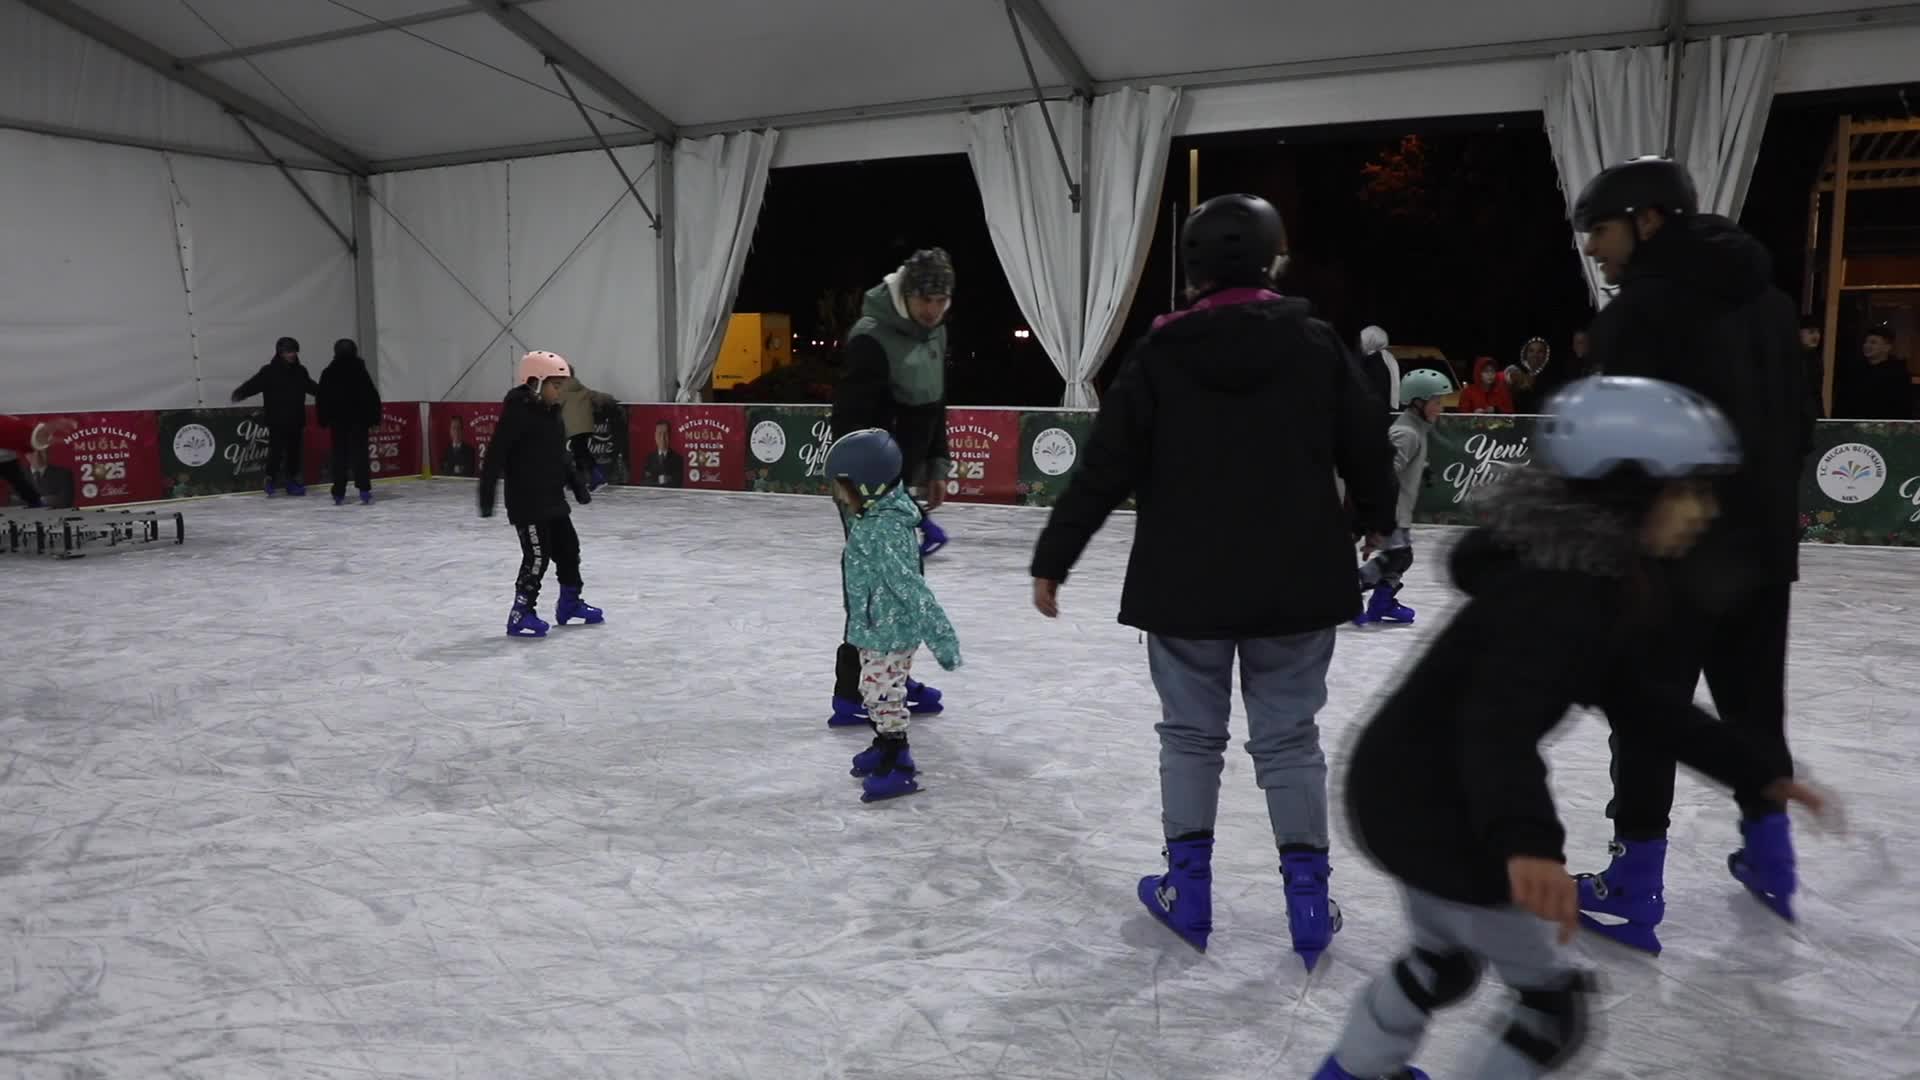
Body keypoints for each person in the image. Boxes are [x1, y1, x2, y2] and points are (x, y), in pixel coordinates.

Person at [1314, 376, 1831, 1080]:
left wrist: (1755, 772)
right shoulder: (1558, 598)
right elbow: (1494, 727)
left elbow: (1644, 706)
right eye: (1694, 488)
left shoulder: (1576, 575)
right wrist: (1528, 848)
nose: (1706, 509)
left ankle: (1351, 1070)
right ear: (1630, 490)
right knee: (1550, 1011)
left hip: (1402, 797)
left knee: (1443, 961)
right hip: (1450, 816)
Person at [1029, 193, 1397, 969]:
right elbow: (1367, 439)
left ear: (1193, 269)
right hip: (1297, 579)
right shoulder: (1315, 342)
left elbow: (1105, 466)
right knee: (1290, 739)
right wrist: (1375, 516)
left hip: (1186, 585)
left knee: (1191, 737)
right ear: (1272, 259)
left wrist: (1056, 555)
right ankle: (1306, 906)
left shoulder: (1159, 353)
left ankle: (1187, 893)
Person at [1569, 155, 1814, 952]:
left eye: (1601, 232)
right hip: (1764, 549)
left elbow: (1616, 449)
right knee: (1754, 707)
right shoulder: (1773, 306)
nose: (1594, 251)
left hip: (1672, 555)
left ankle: (1633, 882)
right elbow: (1799, 422)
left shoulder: (1639, 313)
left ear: (1648, 219)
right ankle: (1771, 856)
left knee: (1646, 711)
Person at [826, 248, 956, 728]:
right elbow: (849, 429)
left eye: (942, 300)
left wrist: (937, 465)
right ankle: (854, 690)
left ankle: (889, 680)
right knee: (877, 588)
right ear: (905, 294)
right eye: (925, 299)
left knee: (905, 587)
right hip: (865, 487)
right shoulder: (871, 339)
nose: (933, 310)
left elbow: (936, 405)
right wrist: (861, 501)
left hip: (902, 484)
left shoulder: (935, 333)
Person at [825, 428, 962, 803]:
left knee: (882, 694)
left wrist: (942, 639)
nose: (837, 497)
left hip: (892, 629)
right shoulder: (871, 514)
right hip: (872, 626)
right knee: (872, 691)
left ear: (867, 487)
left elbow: (913, 590)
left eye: (842, 487)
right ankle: (884, 745)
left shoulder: (883, 529)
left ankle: (899, 761)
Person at [478, 351, 603, 638]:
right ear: (535, 382)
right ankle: (521, 613)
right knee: (537, 556)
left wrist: (577, 485)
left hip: (552, 499)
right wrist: (487, 496)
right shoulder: (517, 414)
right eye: (555, 385)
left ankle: (569, 604)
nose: (559, 392)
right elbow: (495, 456)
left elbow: (561, 456)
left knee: (569, 550)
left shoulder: (552, 416)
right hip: (526, 502)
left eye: (561, 385)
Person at [1354, 367, 1454, 626]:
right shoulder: (1406, 433)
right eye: (1436, 402)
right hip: (1392, 510)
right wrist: (1376, 517)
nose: (1440, 408)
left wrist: (1423, 468)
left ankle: (1380, 603)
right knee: (1397, 556)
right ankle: (1351, 592)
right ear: (1417, 401)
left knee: (1402, 556)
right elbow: (1384, 472)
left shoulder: (1416, 428)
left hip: (1400, 509)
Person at [232, 336, 319, 496]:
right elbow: (254, 384)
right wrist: (240, 393)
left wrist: (329, 394)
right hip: (277, 420)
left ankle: (292, 481)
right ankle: (270, 479)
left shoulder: (300, 371)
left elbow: (312, 387)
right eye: (288, 352)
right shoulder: (269, 371)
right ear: (280, 352)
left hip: (296, 419)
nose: (291, 355)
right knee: (276, 451)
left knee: (294, 452)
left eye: (293, 351)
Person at [316, 339, 382, 506]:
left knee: (340, 456)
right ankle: (364, 490)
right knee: (360, 455)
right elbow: (372, 397)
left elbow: (322, 398)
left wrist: (323, 419)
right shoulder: (360, 371)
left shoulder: (329, 372)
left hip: (339, 422)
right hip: (359, 421)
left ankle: (339, 491)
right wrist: (374, 418)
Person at [557, 367, 619, 491]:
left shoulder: (562, 390)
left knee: (581, 453)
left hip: (574, 428)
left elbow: (555, 404)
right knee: (579, 452)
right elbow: (599, 396)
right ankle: (579, 481)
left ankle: (598, 478)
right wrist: (612, 400)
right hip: (587, 427)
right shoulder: (582, 388)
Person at [1837, 324, 1913, 420]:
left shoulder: (1898, 374)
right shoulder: (1854, 370)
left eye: (1873, 342)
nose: (1866, 345)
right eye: (1865, 342)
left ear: (1887, 347)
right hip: (1854, 426)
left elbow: (1903, 407)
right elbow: (1844, 401)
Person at [0, 415, 76, 507]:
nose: (37, 455)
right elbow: (14, 502)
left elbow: (64, 501)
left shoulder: (63, 474)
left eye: (41, 451)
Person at [1504, 337, 1562, 414]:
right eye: (1531, 351)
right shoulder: (1515, 372)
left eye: (1540, 351)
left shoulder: (1553, 377)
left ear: (1545, 355)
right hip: (1519, 421)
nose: (1535, 355)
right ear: (1525, 353)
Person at [1358, 325, 1400, 423]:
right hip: (1386, 412)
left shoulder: (1373, 361)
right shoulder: (1388, 357)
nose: (1360, 344)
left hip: (1374, 415)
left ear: (1370, 341)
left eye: (1362, 340)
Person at [640, 420, 684, 488]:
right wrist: (658, 480)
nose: (662, 438)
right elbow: (644, 482)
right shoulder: (649, 458)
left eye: (665, 434)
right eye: (659, 434)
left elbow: (679, 483)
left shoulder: (678, 459)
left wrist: (668, 479)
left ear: (669, 436)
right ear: (655, 436)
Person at [1798, 317, 1825, 419]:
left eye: (1818, 332)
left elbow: (1816, 393)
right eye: (1811, 332)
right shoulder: (1790, 357)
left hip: (1810, 414)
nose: (1816, 336)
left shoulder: (1816, 359)